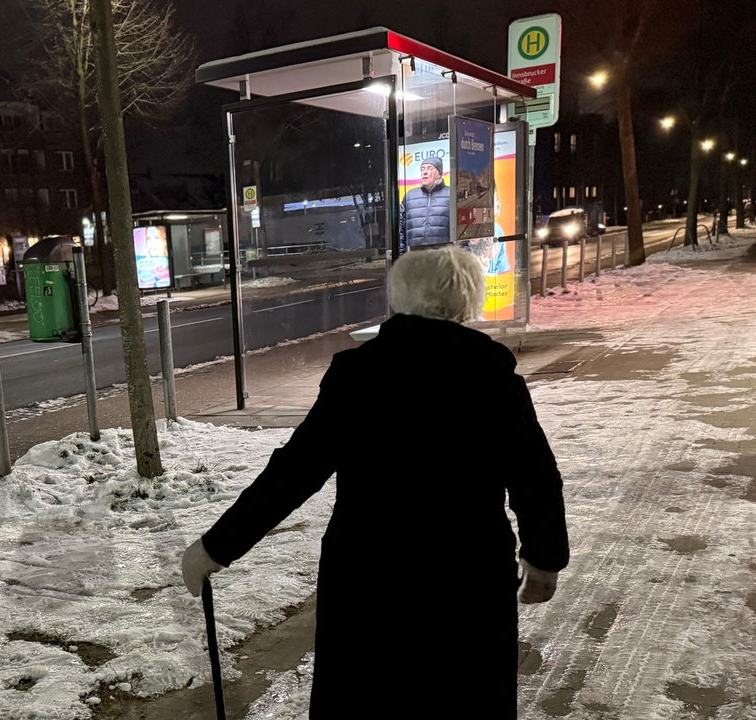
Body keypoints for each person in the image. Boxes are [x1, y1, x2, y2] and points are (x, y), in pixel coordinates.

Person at [181, 245, 569, 718]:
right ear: (468, 298)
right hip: (467, 575)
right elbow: (534, 474)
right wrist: (544, 556)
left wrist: (218, 547)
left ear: (400, 296)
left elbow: (296, 470)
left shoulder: (358, 374)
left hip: (368, 578)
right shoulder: (491, 374)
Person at [399, 155, 451, 251]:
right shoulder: (410, 196)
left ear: (439, 173)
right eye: (422, 169)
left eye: (430, 168)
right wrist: (401, 254)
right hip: (415, 257)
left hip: (443, 257)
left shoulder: (451, 194)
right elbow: (401, 228)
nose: (425, 172)